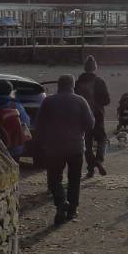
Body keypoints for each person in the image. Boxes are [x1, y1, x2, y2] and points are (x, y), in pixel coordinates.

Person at [35, 74, 95, 225]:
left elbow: (39, 124)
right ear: (73, 86)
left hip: (54, 148)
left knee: (55, 179)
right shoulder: (81, 101)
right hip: (75, 147)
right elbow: (90, 124)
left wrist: (44, 142)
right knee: (74, 179)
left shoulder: (48, 101)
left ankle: (61, 201)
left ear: (58, 86)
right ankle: (72, 210)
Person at [75, 55, 111, 178]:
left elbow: (75, 99)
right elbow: (107, 100)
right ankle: (99, 160)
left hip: (83, 116)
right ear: (95, 68)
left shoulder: (78, 82)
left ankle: (90, 169)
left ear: (84, 68)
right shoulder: (99, 81)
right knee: (102, 139)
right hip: (97, 115)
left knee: (87, 143)